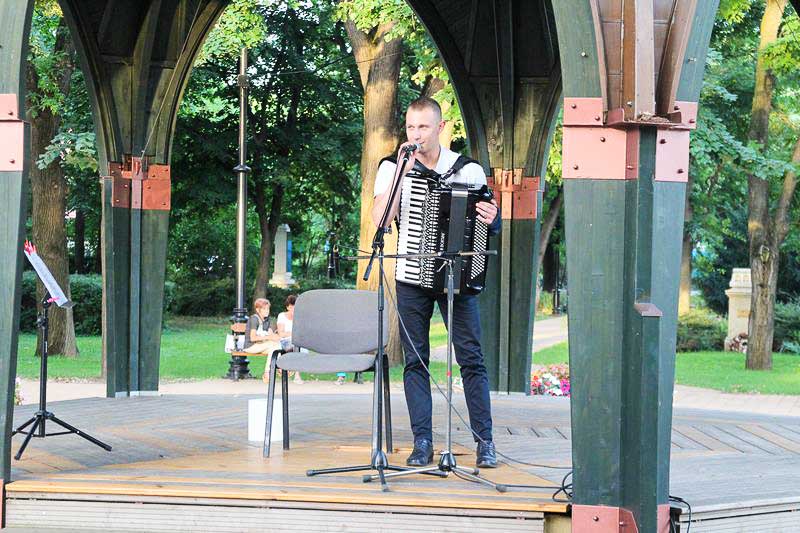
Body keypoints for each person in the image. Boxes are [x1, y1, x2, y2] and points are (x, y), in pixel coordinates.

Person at [371, 97, 501, 469]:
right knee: (416, 360)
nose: (416, 135)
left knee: (471, 358)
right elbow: (381, 220)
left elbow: (490, 223)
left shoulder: (467, 170)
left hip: (457, 277)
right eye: (411, 127)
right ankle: (422, 442)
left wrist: (493, 217)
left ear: (440, 128)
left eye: (423, 127)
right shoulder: (392, 168)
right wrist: (401, 171)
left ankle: (485, 442)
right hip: (411, 276)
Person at [243, 298, 282, 383]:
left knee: (276, 348)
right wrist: (269, 338)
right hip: (250, 346)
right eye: (264, 309)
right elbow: (253, 338)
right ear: (258, 310)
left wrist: (276, 337)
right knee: (273, 345)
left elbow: (271, 334)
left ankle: (271, 371)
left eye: (268, 309)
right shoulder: (254, 319)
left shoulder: (267, 320)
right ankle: (274, 370)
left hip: (261, 345)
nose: (267, 311)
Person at [276, 294, 303, 384]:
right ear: (287, 307)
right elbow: (281, 334)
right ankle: (296, 375)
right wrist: (293, 333)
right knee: (297, 347)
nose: (293, 310)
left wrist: (290, 333)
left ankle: (292, 372)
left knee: (300, 348)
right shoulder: (282, 316)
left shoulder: (299, 318)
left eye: (295, 307)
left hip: (296, 342)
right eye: (291, 307)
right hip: (285, 342)